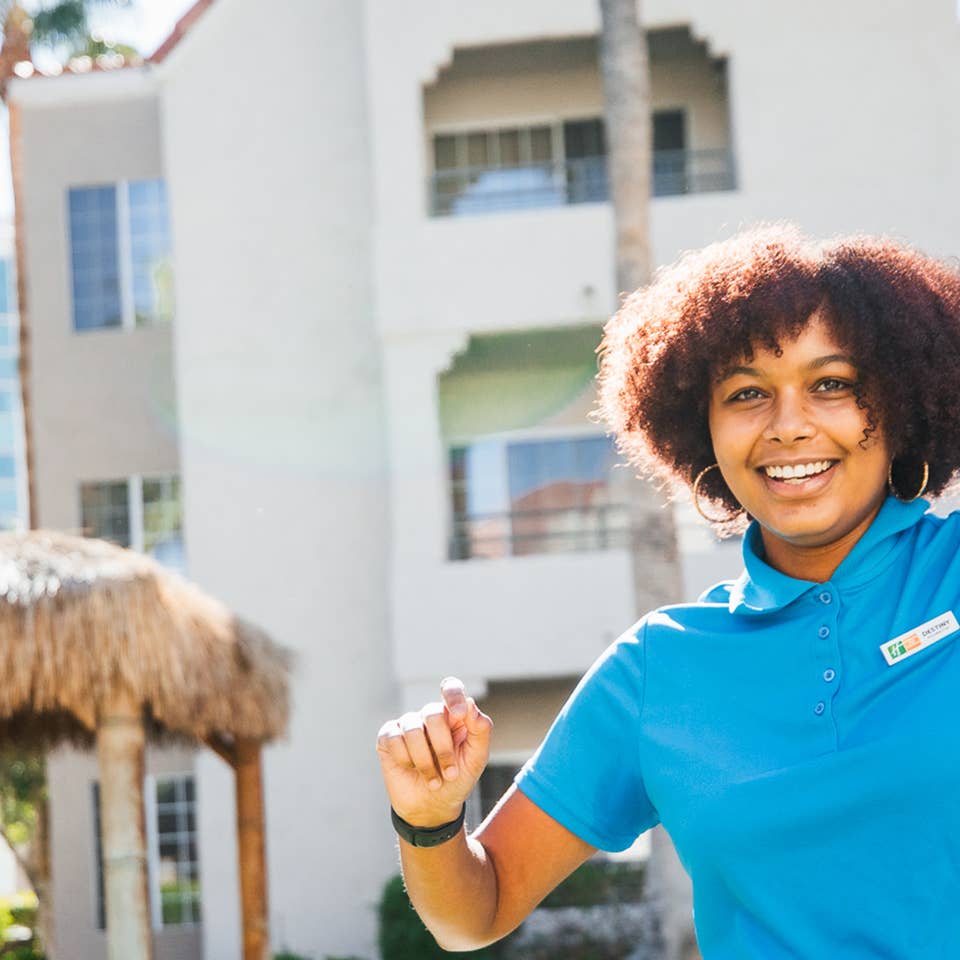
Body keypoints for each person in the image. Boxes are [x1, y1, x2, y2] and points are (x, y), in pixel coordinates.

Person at [375, 223, 960, 958]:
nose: (787, 426)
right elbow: (478, 909)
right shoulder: (658, 667)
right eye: (747, 393)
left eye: (831, 385)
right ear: (700, 428)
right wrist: (428, 821)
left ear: (905, 404)